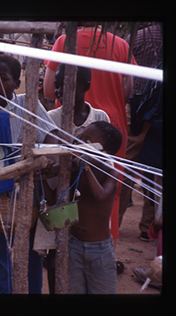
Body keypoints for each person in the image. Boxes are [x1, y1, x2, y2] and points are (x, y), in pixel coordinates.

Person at [0, 54, 58, 294]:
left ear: (17, 83)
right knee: (1, 249)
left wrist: (50, 156)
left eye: (3, 79)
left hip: (28, 188)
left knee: (30, 249)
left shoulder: (28, 104)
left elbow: (50, 135)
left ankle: (32, 292)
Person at [43, 24, 137, 249]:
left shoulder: (64, 41)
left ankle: (82, 245)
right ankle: (104, 242)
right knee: (109, 186)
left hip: (95, 124)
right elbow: (128, 90)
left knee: (90, 185)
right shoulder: (121, 44)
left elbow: (48, 90)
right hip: (110, 124)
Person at [44, 63, 111, 292]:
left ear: (86, 86)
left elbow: (105, 160)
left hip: (87, 205)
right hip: (57, 199)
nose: (60, 90)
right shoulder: (50, 118)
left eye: (67, 85)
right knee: (55, 256)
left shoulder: (100, 118)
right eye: (57, 85)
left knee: (81, 258)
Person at [66, 121, 123, 294]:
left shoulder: (111, 171)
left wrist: (87, 168)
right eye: (80, 138)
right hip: (74, 245)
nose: (80, 143)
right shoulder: (75, 170)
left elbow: (100, 196)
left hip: (100, 251)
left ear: (104, 149)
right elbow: (60, 197)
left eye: (87, 140)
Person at [119, 23, 163, 242]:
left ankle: (115, 220)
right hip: (160, 110)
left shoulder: (138, 36)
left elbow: (125, 74)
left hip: (137, 105)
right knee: (157, 169)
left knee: (128, 162)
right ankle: (150, 226)